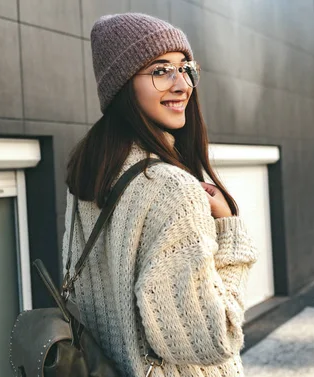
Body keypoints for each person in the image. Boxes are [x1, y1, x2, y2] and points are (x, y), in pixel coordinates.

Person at [63, 13, 258, 377]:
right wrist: (231, 233)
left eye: (185, 68)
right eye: (160, 70)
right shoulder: (173, 190)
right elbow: (214, 338)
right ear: (122, 85)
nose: (182, 84)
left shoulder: (90, 172)